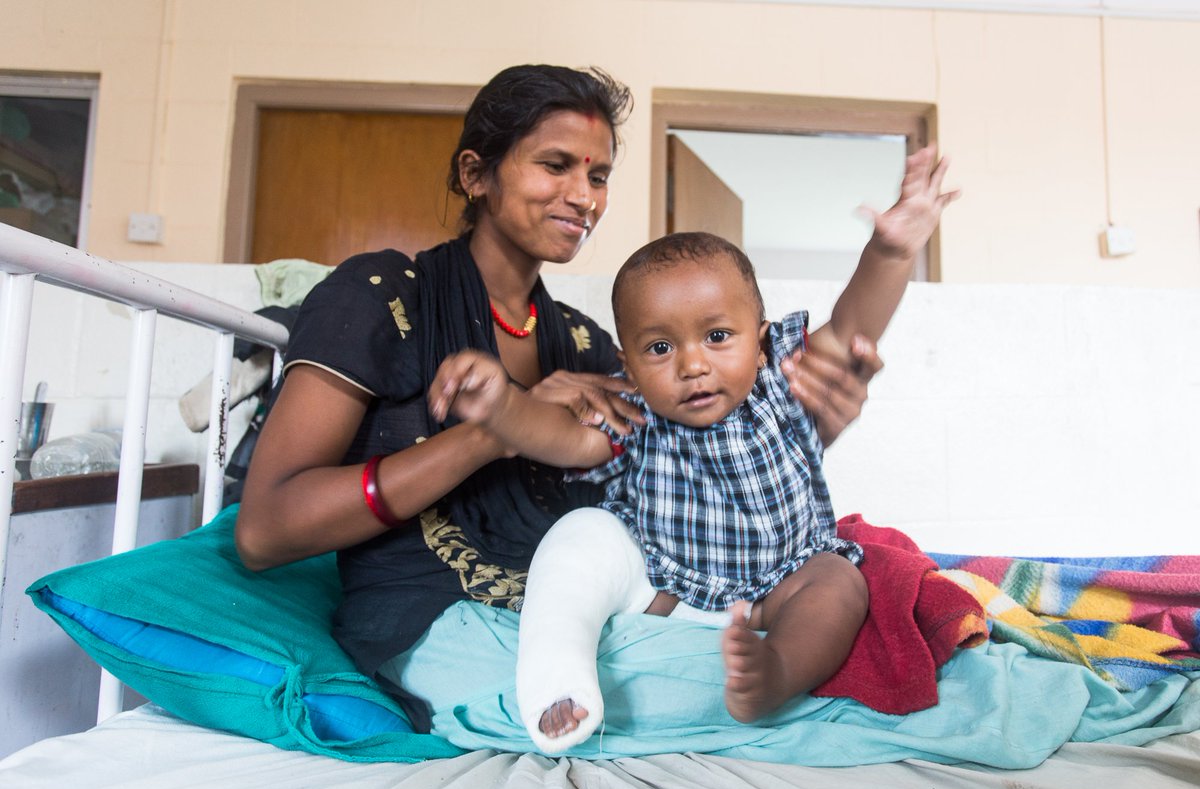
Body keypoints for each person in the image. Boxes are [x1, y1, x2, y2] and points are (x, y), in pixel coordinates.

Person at [234, 64, 884, 733]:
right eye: (555, 166)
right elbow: (264, 532)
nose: (584, 197)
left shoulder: (584, 344)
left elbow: (696, 456)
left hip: (597, 605)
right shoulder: (385, 296)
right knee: (751, 693)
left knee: (822, 618)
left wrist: (812, 423)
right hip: (433, 614)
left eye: (597, 176)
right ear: (475, 174)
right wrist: (494, 431)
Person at [429, 146, 957, 752]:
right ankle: (557, 672)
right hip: (660, 589)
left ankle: (775, 673)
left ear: (762, 343)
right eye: (659, 348)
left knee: (840, 583)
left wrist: (890, 251)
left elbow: (853, 324)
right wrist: (502, 405)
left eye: (717, 335)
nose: (692, 364)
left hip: (779, 587)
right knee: (580, 535)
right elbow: (559, 440)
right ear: (626, 363)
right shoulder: (632, 410)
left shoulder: (783, 386)